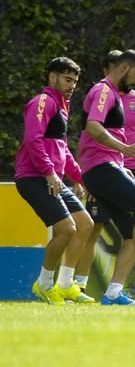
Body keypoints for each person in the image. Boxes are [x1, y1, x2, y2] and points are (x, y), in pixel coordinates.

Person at [75, 50, 135, 303]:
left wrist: (121, 162)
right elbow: (93, 127)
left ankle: (113, 293)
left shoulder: (115, 95)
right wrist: (124, 150)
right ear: (124, 67)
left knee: (131, 235)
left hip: (108, 167)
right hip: (101, 167)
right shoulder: (104, 91)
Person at [15, 57, 94, 304]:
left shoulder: (61, 105)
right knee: (67, 229)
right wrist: (50, 172)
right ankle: (44, 284)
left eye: (75, 81)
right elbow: (33, 139)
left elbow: (62, 148)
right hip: (34, 177)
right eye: (67, 79)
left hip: (52, 177)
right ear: (52, 77)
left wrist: (80, 178)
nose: (72, 85)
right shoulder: (43, 102)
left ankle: (65, 284)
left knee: (85, 224)